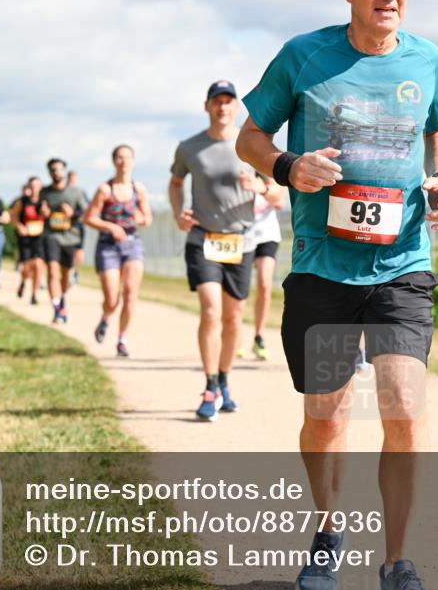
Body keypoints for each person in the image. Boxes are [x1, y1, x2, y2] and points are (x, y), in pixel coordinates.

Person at [235, 0, 438, 590]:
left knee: (403, 409)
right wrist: (286, 165)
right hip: (324, 272)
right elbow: (251, 135)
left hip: (401, 266)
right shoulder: (302, 56)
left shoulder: (427, 59)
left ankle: (399, 564)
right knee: (327, 415)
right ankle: (328, 527)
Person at [171, 80, 281, 421]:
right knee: (210, 311)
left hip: (241, 241)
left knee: (233, 318)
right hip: (203, 238)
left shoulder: (250, 145)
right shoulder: (189, 148)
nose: (222, 107)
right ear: (207, 107)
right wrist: (178, 212)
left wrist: (260, 185)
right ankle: (208, 386)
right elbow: (175, 183)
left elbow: (278, 193)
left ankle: (223, 380)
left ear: (236, 108)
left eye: (228, 102)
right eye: (216, 102)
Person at [83, 145, 152, 357]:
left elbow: (147, 218)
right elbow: (89, 218)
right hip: (108, 246)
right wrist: (111, 227)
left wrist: (141, 219)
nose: (124, 162)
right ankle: (105, 318)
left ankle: (121, 339)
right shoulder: (105, 189)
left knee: (131, 294)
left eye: (128, 157)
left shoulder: (138, 189)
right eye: (120, 158)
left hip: (132, 244)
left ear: (133, 161)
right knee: (112, 298)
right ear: (114, 161)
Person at [39, 157, 87, 323]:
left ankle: (62, 298)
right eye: (53, 170)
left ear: (65, 171)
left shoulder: (76, 192)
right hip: (51, 236)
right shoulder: (44, 192)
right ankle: (57, 308)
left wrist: (73, 214)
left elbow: (86, 214)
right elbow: (40, 210)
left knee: (66, 275)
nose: (56, 173)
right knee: (52, 270)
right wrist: (43, 212)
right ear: (49, 172)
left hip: (70, 237)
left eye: (59, 169)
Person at [246, 176, 286, 360]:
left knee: (264, 285)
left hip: (267, 237)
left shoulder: (270, 175)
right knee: (239, 290)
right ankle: (234, 335)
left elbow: (279, 201)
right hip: (240, 236)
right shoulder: (241, 174)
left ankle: (259, 336)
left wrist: (262, 188)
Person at [10, 177, 46, 304]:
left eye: (37, 186)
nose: (34, 189)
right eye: (32, 186)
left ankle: (34, 294)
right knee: (27, 267)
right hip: (25, 238)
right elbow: (13, 216)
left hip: (40, 237)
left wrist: (46, 211)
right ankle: (23, 282)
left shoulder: (45, 201)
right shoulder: (22, 202)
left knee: (38, 264)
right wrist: (20, 227)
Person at [67, 170, 89, 284]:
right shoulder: (63, 192)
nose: (72, 181)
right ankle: (69, 271)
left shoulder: (81, 193)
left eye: (74, 179)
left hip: (78, 226)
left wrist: (75, 215)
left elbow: (87, 210)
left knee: (79, 254)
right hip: (66, 228)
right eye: (70, 179)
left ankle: (75, 271)